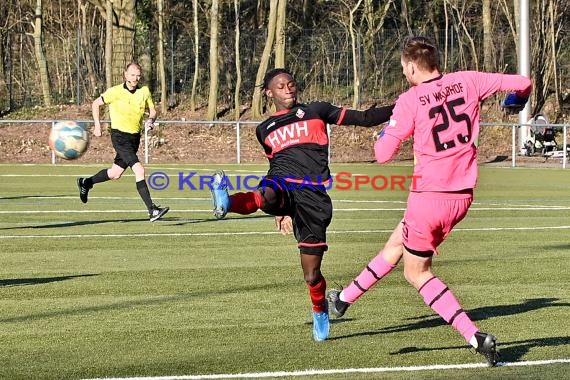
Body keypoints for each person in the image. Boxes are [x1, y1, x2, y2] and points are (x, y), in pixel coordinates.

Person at [327, 36, 531, 366]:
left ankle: (475, 337)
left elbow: (382, 156)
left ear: (410, 67)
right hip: (461, 198)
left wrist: (383, 135)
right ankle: (342, 300)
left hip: (428, 199)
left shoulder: (410, 100)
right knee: (396, 244)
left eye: (403, 68)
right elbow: (524, 82)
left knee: (417, 273)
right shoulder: (468, 80)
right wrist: (514, 101)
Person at [210, 68, 394, 342]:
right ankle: (226, 202)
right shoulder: (264, 130)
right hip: (282, 184)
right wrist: (281, 209)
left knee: (311, 275)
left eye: (291, 84)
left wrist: (404, 105)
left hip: (313, 198)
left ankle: (319, 310)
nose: (288, 89)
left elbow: (365, 118)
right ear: (269, 93)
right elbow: (275, 164)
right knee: (267, 195)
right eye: (281, 86)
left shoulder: (316, 110)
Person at [77, 62, 169, 222]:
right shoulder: (115, 92)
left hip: (134, 138)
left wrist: (151, 120)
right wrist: (97, 125)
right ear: (125, 75)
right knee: (139, 170)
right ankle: (152, 210)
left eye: (138, 75)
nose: (135, 78)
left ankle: (86, 182)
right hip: (119, 137)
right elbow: (95, 104)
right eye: (132, 75)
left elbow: (152, 111)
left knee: (115, 173)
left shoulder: (144, 91)